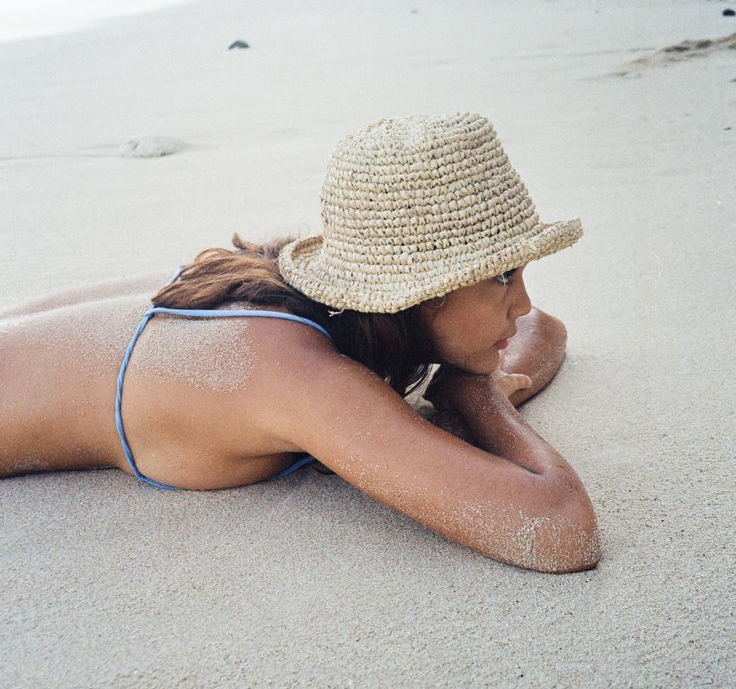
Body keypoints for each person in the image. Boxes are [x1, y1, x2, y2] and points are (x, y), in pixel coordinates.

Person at [0, 112, 600, 574]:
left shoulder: (302, 296)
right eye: (502, 276)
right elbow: (558, 532)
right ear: (424, 290)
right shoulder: (297, 374)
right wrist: (481, 397)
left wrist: (472, 376)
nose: (520, 302)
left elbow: (541, 327)